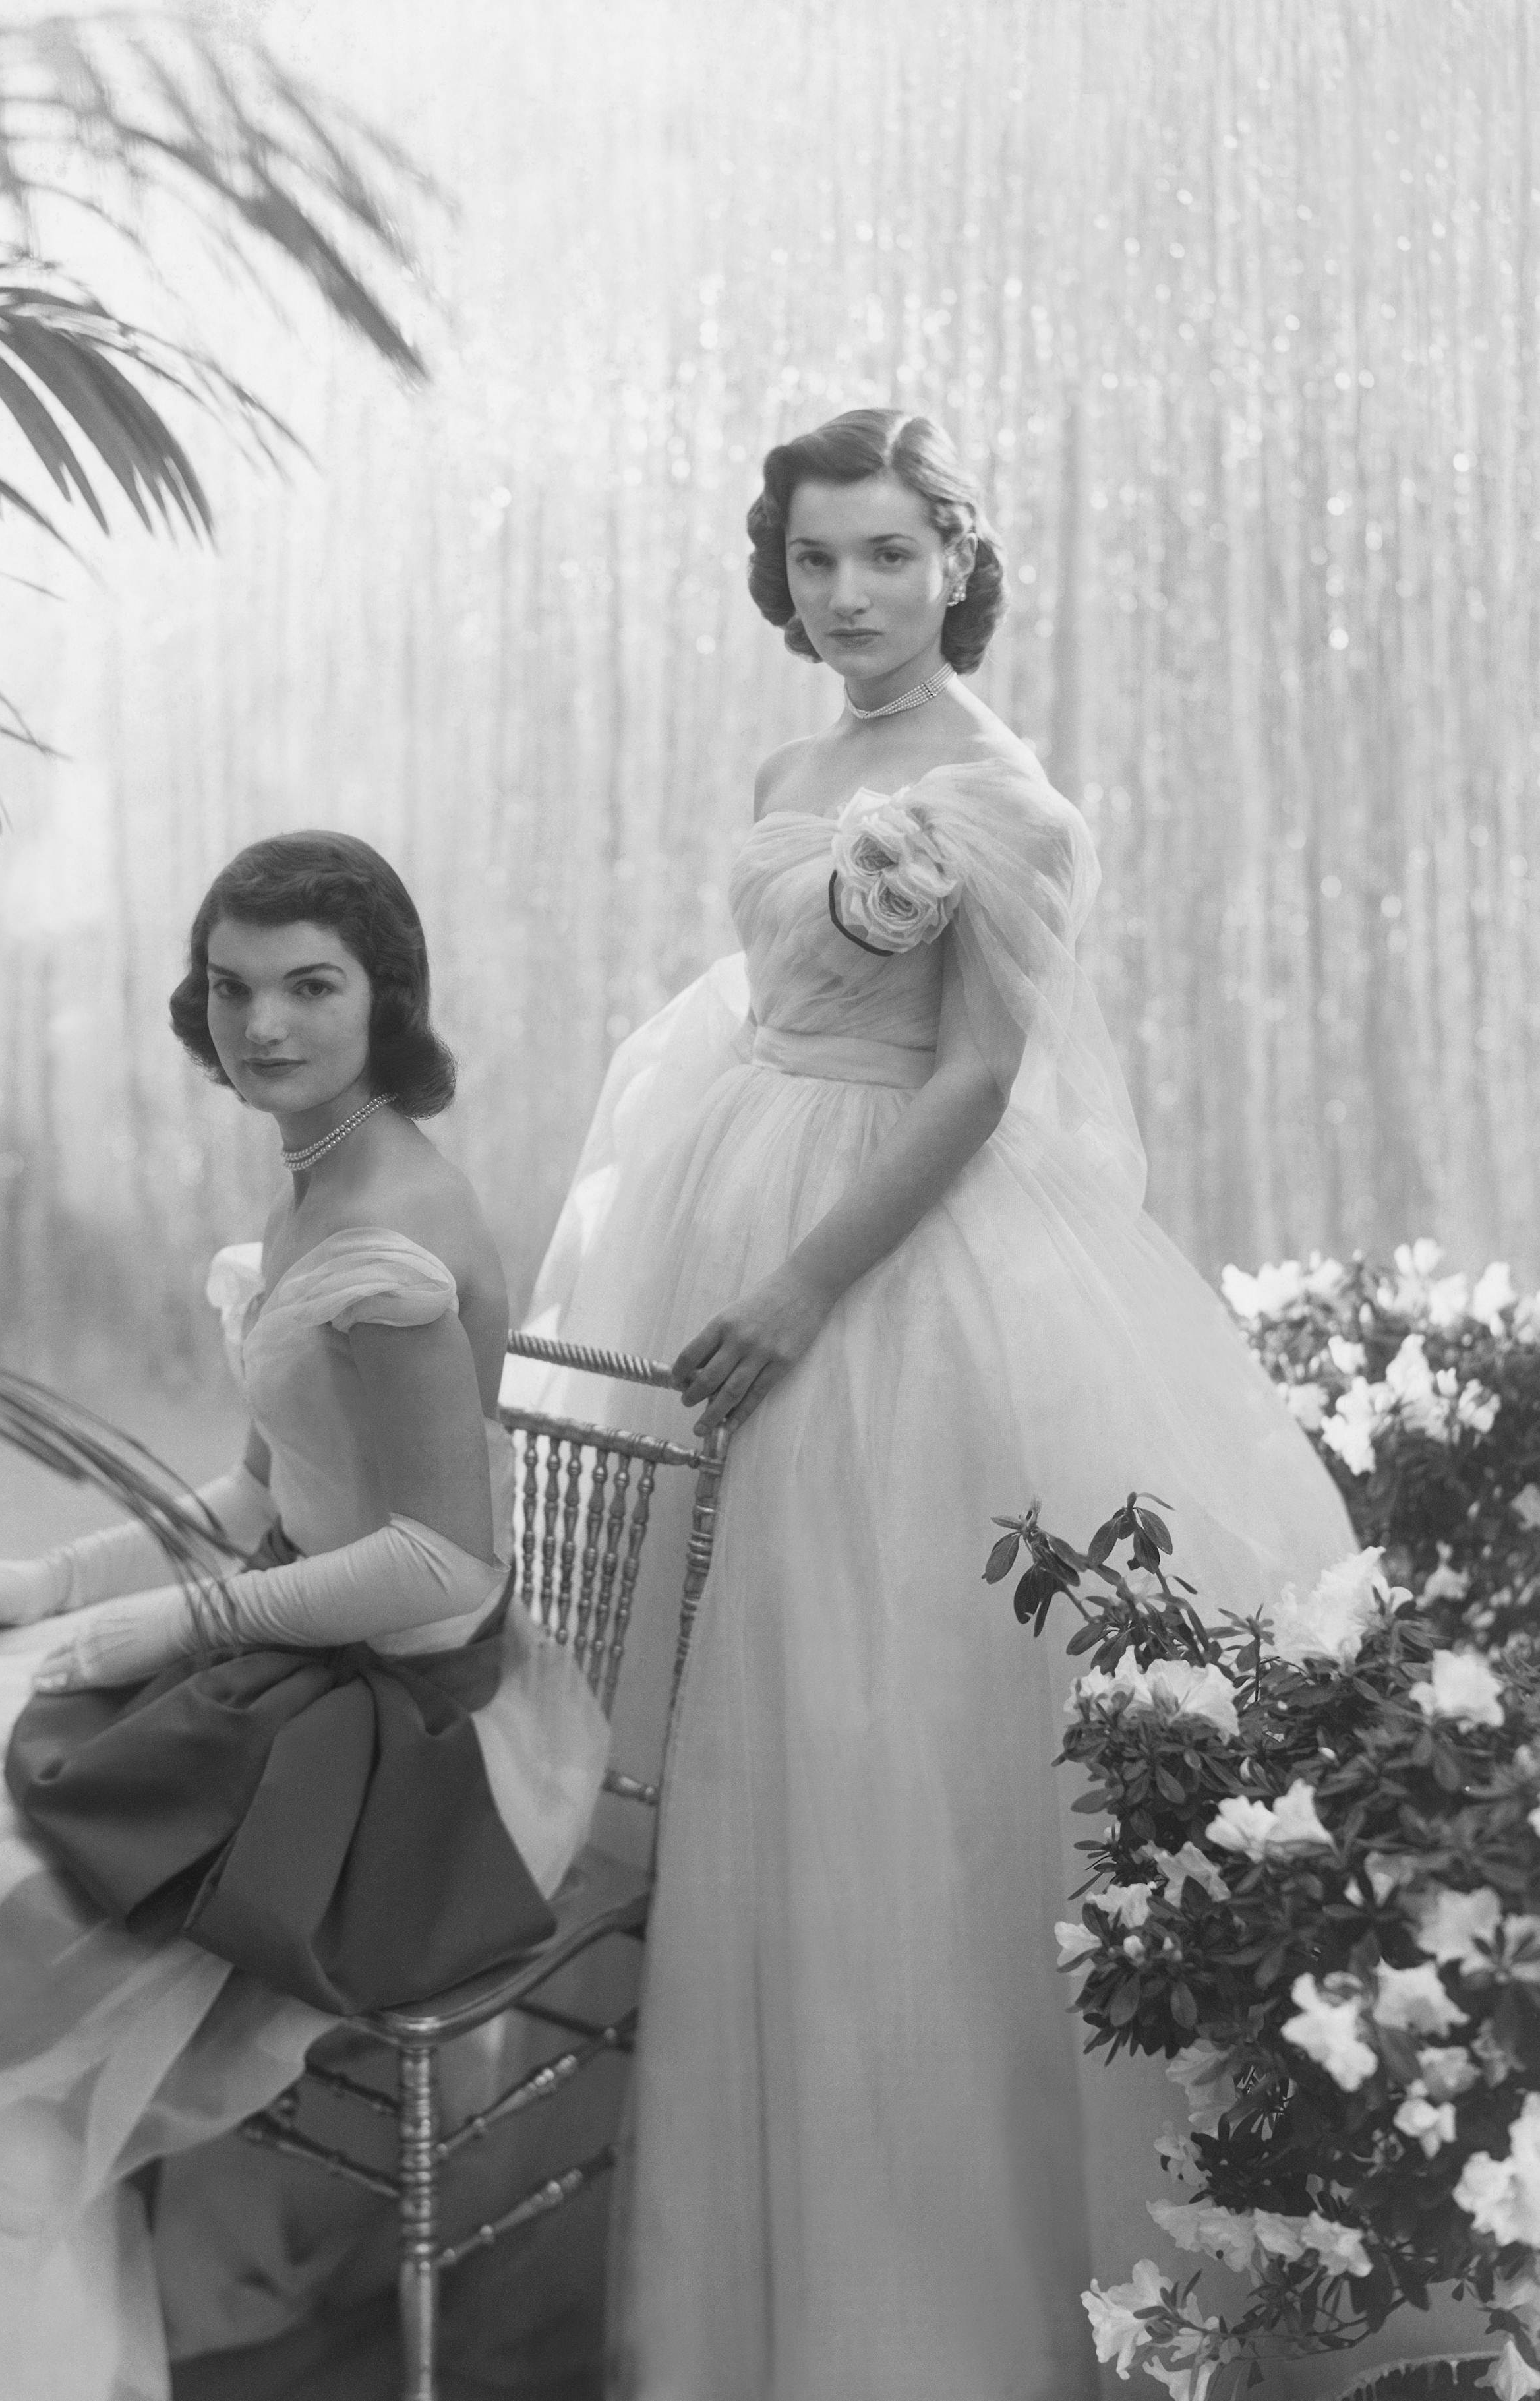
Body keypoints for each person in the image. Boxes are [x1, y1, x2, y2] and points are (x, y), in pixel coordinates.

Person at [519, 408, 1357, 2400]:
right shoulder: (793, 768)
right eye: (816, 561)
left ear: (955, 561)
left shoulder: (1006, 798)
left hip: (893, 1285)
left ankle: (928, 2314)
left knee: (878, 1739)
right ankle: (750, 2283)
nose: (848, 598)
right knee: (740, 1726)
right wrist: (691, 1199)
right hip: (735, 1219)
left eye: (887, 556)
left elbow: (982, 1079)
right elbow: (759, 1006)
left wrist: (804, 1279)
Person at [0, 830, 608, 2401]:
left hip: (413, 1730)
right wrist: (49, 1584)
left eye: (309, 989)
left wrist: (175, 1629)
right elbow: (272, 1489)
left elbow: (438, 1566)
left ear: (386, 1000)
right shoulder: (316, 1179)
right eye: (231, 988)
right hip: (298, 1662)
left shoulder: (394, 1244)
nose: (262, 1025)